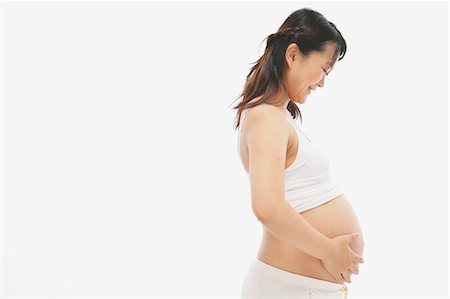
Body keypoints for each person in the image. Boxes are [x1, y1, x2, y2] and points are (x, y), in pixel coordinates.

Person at [233, 8, 365, 299]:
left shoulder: (278, 117)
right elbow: (266, 206)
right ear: (293, 55)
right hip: (287, 290)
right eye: (324, 69)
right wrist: (329, 252)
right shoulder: (265, 117)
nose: (322, 83)